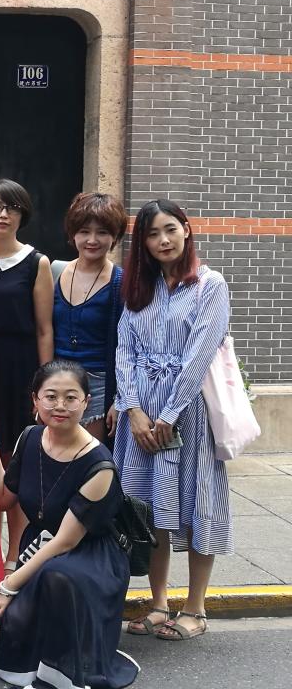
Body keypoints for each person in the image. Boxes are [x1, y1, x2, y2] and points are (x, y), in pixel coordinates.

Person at [113, 199, 232, 642]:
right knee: (148, 509)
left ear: (186, 229)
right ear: (142, 243)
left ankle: (196, 607)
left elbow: (200, 354)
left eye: (170, 229)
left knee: (197, 502)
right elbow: (124, 350)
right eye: (152, 234)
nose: (163, 240)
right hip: (141, 415)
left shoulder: (209, 285)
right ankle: (159, 602)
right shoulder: (140, 288)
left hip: (188, 414)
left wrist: (168, 414)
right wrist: (134, 410)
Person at [0, 360, 139, 689]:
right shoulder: (29, 438)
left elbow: (66, 542)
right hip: (40, 546)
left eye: (71, 398)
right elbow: (3, 499)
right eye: (51, 396)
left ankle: (63, 674)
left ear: (86, 402)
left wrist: (9, 584)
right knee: (21, 618)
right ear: (35, 400)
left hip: (90, 555)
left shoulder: (99, 465)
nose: (60, 405)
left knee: (57, 576)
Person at [0, 179, 54, 572]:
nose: (3, 215)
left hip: (20, 371)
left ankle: (15, 552)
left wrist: (44, 386)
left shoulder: (37, 262)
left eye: (12, 208)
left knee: (15, 462)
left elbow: (44, 329)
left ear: (23, 215)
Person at [52, 193, 128, 443]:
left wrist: (119, 399)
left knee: (90, 457)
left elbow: (129, 347)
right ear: (73, 233)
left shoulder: (121, 282)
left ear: (115, 236)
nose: (92, 240)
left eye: (102, 232)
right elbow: (42, 331)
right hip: (57, 380)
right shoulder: (55, 271)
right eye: (84, 231)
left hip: (99, 384)